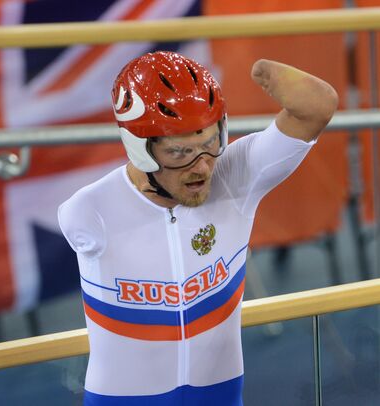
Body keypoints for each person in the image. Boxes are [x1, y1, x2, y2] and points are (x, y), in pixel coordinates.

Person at [57, 51, 338, 405]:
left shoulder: (237, 177)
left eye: (209, 144)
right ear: (140, 149)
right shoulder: (87, 212)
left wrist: (267, 69)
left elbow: (317, 105)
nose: (201, 167)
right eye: (179, 152)